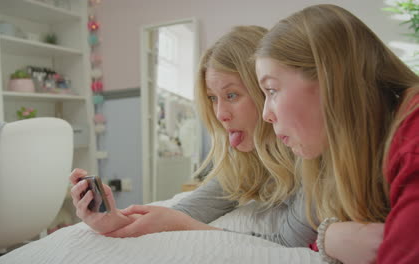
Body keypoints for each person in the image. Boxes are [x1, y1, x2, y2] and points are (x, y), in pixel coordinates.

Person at [70, 25, 317, 247]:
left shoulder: (310, 151)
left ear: (265, 91)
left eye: (231, 95)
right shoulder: (243, 162)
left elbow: (289, 241)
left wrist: (185, 226)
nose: (220, 114)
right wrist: (113, 220)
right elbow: (184, 212)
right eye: (213, 98)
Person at [254, 4, 419, 264]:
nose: (265, 114)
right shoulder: (353, 150)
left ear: (330, 79)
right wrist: (328, 236)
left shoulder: (413, 134)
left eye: (272, 90)